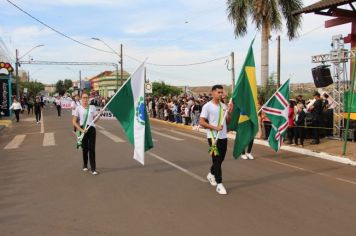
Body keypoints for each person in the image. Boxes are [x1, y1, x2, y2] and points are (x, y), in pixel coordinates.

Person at [200, 85, 232, 195]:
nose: (221, 94)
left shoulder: (223, 106)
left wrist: (228, 113)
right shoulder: (207, 106)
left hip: (223, 137)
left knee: (220, 159)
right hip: (213, 137)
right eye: (218, 92)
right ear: (212, 93)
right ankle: (219, 184)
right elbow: (202, 122)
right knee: (217, 159)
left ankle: (211, 174)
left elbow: (227, 122)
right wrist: (215, 128)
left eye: (221, 92)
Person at [72, 93, 99, 175]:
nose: (85, 99)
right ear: (81, 99)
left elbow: (95, 120)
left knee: (92, 148)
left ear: (88, 99)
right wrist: (81, 130)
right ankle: (85, 164)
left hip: (91, 129)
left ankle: (93, 168)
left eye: (87, 98)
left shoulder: (92, 107)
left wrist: (99, 115)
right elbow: (73, 121)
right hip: (82, 129)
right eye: (84, 98)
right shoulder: (78, 108)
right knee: (85, 148)